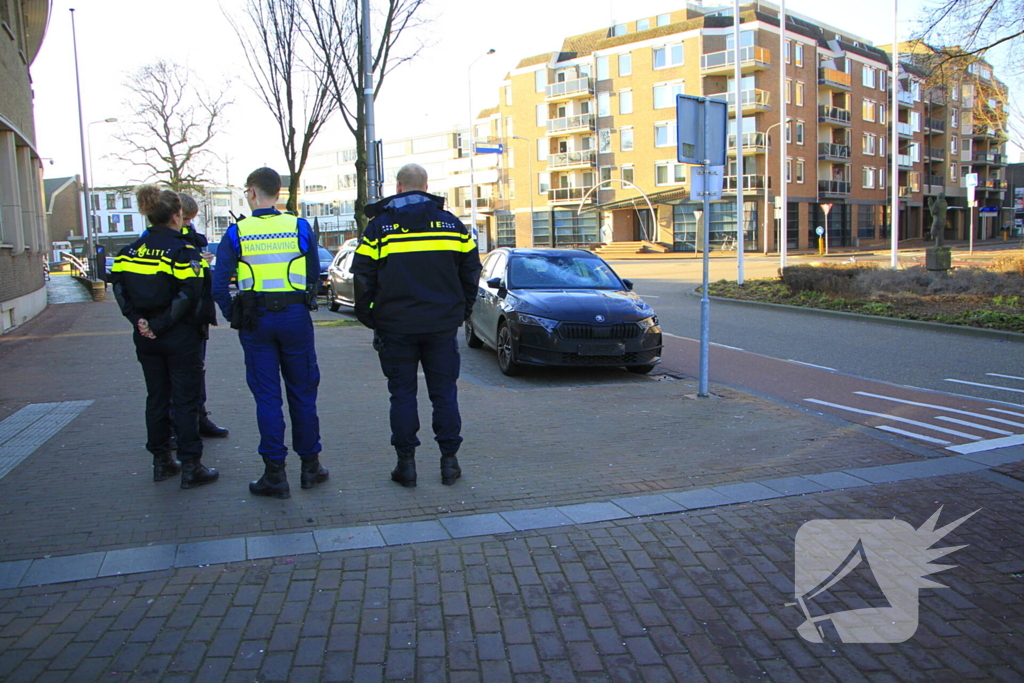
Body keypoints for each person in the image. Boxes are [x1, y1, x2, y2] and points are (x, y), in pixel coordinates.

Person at [351, 163, 482, 487]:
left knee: (402, 395)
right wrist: (462, 310)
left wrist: (368, 314)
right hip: (441, 326)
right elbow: (471, 271)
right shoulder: (453, 225)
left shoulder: (380, 227)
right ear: (426, 186)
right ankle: (449, 463)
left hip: (396, 326)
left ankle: (406, 466)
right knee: (444, 394)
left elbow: (363, 276)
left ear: (398, 187)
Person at [212, 167, 327, 499]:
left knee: (267, 398)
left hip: (256, 320)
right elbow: (312, 275)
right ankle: (310, 467)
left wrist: (235, 315)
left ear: (251, 192)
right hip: (294, 318)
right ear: (279, 193)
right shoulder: (299, 226)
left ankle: (275, 475)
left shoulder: (237, 233)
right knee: (303, 394)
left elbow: (219, 285)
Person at [109, 185, 220, 489]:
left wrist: (140, 321)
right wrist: (159, 323)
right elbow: (189, 293)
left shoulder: (128, 252)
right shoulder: (182, 252)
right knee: (184, 400)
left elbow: (118, 288)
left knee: (157, 398)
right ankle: (191, 466)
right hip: (179, 335)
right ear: (176, 216)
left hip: (145, 336)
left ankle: (161, 462)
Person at [176, 193, 229, 439]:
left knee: (197, 369)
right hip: (181, 318)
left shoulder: (191, 239)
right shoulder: (168, 242)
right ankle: (178, 427)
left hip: (197, 315)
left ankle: (199, 416)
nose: (188, 224)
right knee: (178, 375)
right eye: (185, 219)